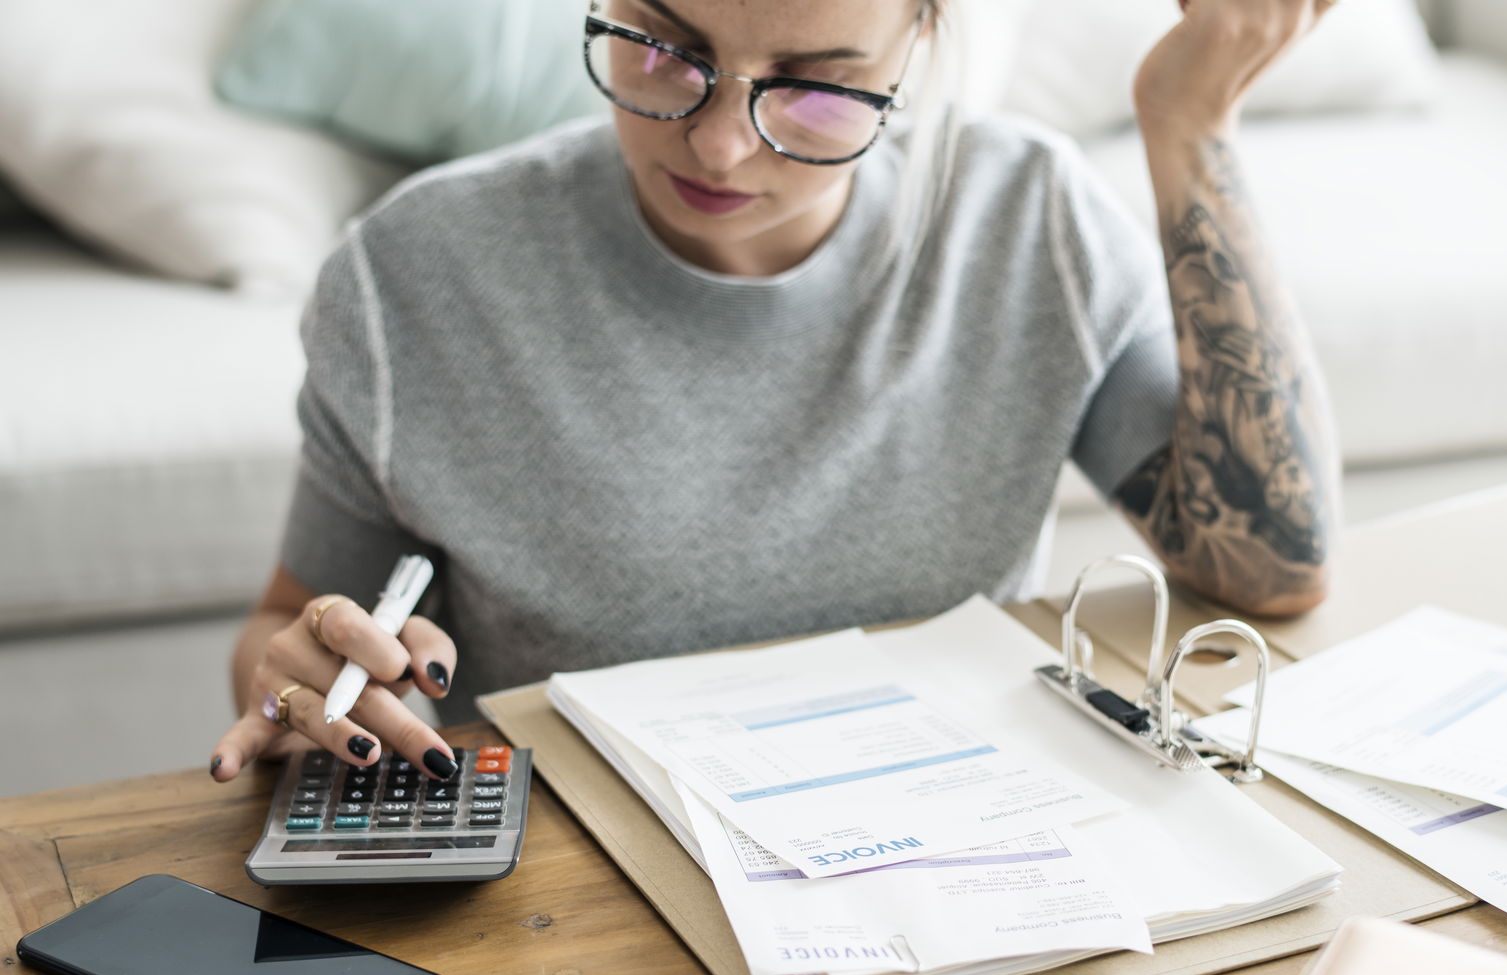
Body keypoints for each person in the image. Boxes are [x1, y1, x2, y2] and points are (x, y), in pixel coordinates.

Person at [211, 0, 1340, 784]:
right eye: (662, 48)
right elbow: (291, 623)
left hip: (960, 847)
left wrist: (1192, 126)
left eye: (814, 89)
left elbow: (1267, 565)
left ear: (922, 42)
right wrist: (295, 687)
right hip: (581, 897)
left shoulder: (1027, 223)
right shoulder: (413, 276)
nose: (718, 146)